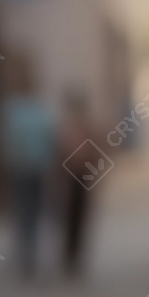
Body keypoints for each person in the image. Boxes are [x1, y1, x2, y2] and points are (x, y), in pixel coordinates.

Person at [0, 56, 56, 279]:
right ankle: (27, 255)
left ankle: (27, 256)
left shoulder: (16, 109)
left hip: (28, 167)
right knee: (29, 211)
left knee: (26, 211)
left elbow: (3, 140)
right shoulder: (30, 108)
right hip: (30, 167)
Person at [56, 91, 102, 277]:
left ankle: (75, 257)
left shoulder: (86, 129)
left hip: (82, 177)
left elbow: (97, 154)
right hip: (70, 178)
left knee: (79, 219)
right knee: (69, 219)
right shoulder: (68, 129)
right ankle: (69, 256)